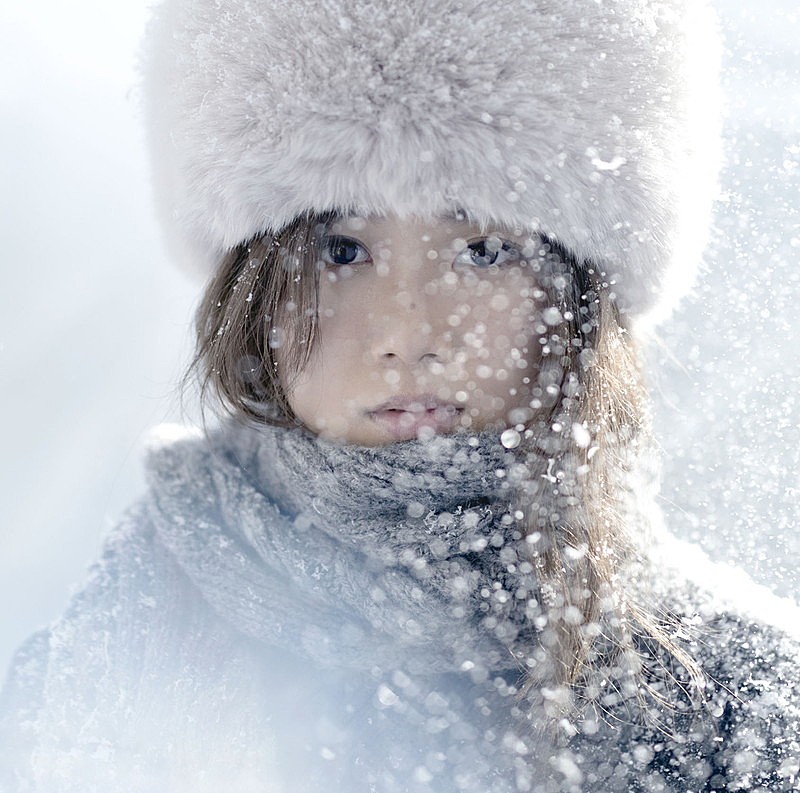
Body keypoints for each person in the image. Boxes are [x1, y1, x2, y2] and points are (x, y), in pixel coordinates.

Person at [2, 0, 798, 791]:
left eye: (484, 250)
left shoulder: (733, 704)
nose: (409, 330)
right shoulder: (118, 646)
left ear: (579, 298)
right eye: (342, 250)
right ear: (251, 291)